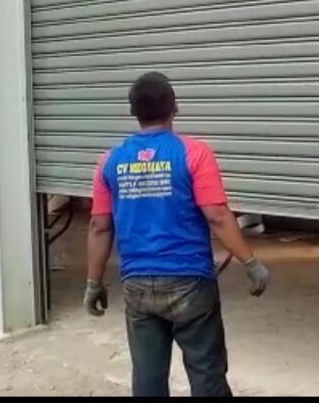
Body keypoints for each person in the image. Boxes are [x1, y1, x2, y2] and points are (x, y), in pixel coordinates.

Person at [84, 71, 270, 397]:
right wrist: (251, 263)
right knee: (207, 373)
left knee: (147, 377)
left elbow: (100, 226)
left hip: (137, 285)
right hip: (190, 283)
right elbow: (217, 216)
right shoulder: (194, 153)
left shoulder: (110, 161)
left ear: (133, 112)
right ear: (175, 108)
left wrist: (93, 283)